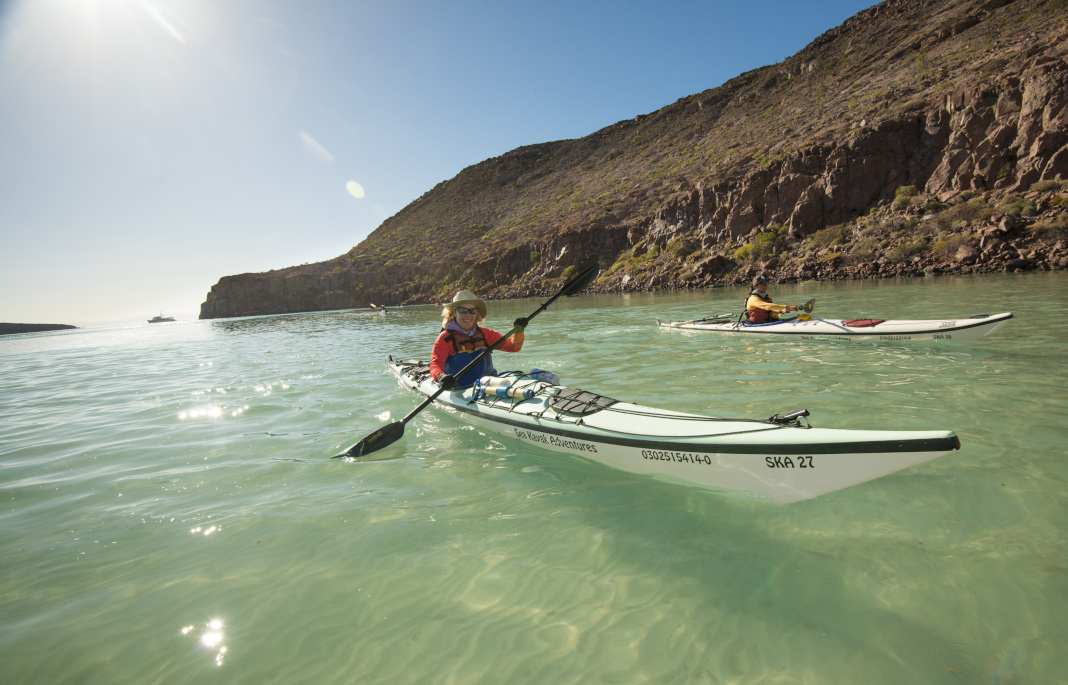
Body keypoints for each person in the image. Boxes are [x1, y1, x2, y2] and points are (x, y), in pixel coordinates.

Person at [430, 290, 528, 390]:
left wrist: (519, 331)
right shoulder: (445, 338)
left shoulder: (485, 333)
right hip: (459, 388)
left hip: (488, 385)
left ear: (477, 313)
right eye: (463, 310)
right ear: (454, 312)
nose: (468, 316)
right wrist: (441, 376)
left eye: (473, 311)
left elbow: (513, 347)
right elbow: (435, 364)